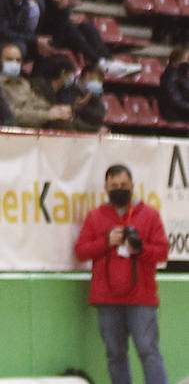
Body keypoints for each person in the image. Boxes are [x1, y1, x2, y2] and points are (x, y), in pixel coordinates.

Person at [75, 164, 170, 384]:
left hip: (142, 298)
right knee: (115, 355)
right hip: (107, 298)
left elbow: (163, 252)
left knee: (148, 351)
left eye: (124, 185)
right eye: (114, 185)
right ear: (106, 188)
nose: (119, 189)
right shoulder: (95, 217)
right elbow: (81, 251)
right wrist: (106, 242)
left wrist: (141, 249)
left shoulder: (150, 215)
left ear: (133, 186)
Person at [0, 42, 74, 129]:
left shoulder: (23, 83)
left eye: (18, 60)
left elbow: (37, 102)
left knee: (62, 120)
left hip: (34, 126)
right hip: (12, 130)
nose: (14, 64)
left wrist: (58, 110)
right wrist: (47, 115)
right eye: (9, 60)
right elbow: (11, 114)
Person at [157, 46, 189, 126]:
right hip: (174, 112)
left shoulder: (182, 76)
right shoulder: (170, 76)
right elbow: (175, 100)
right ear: (176, 61)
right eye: (186, 60)